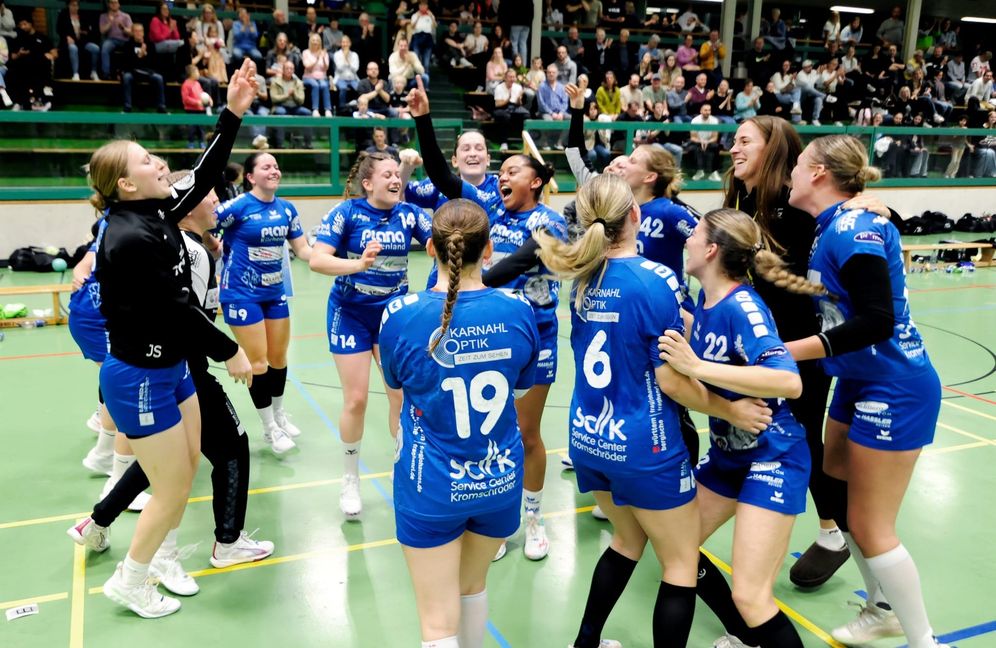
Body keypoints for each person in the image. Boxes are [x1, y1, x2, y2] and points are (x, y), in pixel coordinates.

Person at [535, 175, 772, 648]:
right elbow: (670, 380)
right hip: (645, 447)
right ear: (636, 216)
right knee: (682, 563)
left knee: (626, 542)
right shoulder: (657, 279)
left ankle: (586, 643)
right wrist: (733, 410)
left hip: (588, 439)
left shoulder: (583, 278)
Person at [85, 60, 256, 618]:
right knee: (172, 488)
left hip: (175, 369)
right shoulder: (130, 236)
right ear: (126, 184)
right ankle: (132, 579)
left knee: (181, 477)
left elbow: (203, 177)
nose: (161, 164)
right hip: (140, 377)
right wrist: (230, 350)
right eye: (147, 161)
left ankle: (149, 557)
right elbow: (177, 309)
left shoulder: (152, 210)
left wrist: (230, 112)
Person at [784, 135, 949, 648]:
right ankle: (881, 607)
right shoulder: (832, 224)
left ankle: (923, 640)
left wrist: (786, 351)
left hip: (894, 384)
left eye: (798, 163)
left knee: (872, 522)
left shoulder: (854, 227)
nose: (791, 171)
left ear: (817, 174)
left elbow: (878, 321)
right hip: (858, 379)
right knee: (835, 482)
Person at [69, 178, 275, 577]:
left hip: (176, 367)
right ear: (190, 206)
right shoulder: (189, 252)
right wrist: (230, 352)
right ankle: (224, 543)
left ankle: (97, 521)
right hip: (182, 370)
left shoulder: (188, 244)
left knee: (167, 460)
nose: (218, 203)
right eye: (211, 198)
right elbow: (184, 317)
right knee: (231, 448)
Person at [409, 81, 567, 561]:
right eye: (502, 170)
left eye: (514, 170)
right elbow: (441, 176)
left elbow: (507, 269)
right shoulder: (489, 206)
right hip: (489, 337)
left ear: (536, 181)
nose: (503, 175)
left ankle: (534, 515)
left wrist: (461, 278)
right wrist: (422, 120)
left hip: (534, 338)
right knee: (491, 430)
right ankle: (495, 517)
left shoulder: (549, 224)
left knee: (528, 432)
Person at [379, 199, 538, 648]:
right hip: (499, 479)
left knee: (436, 620)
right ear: (488, 251)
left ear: (429, 248)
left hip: (430, 483)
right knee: (473, 588)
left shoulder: (401, 315)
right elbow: (521, 389)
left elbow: (396, 385)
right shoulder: (518, 309)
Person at [659, 208, 812, 648]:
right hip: (729, 455)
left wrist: (696, 365)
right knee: (678, 549)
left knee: (751, 594)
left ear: (710, 250)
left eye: (694, 237)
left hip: (773, 456)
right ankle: (744, 635)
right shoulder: (706, 301)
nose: (685, 241)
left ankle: (751, 625)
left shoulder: (743, 305)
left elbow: (788, 380)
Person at [309, 152, 432, 519]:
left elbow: (436, 244)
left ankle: (405, 471)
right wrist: (358, 264)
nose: (396, 180)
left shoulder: (409, 214)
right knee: (357, 400)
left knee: (400, 395)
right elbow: (317, 260)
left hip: (392, 316)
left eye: (399, 175)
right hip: (350, 314)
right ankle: (350, 479)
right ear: (368, 183)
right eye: (388, 175)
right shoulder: (347, 213)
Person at [214, 152, 312, 455]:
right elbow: (203, 225)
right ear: (251, 177)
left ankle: (280, 414)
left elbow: (304, 250)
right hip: (242, 294)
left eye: (276, 166)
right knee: (258, 362)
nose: (274, 170)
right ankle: (269, 427)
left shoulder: (286, 209)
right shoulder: (238, 207)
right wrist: (214, 249)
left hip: (274, 292)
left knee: (279, 358)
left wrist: (346, 260)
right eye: (266, 166)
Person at [119, 24, 165, 114]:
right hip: (133, 72)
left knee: (159, 78)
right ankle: (127, 106)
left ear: (143, 33)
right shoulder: (128, 45)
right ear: (132, 33)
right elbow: (127, 64)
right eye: (136, 31)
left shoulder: (150, 45)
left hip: (147, 72)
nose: (138, 33)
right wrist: (139, 55)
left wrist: (145, 54)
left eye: (140, 31)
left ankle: (161, 106)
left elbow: (154, 63)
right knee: (126, 77)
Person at [57, 0, 100, 80]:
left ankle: (93, 72)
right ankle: (75, 73)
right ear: (69, 6)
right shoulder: (63, 15)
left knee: (95, 48)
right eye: (73, 5)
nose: (75, 7)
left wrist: (84, 32)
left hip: (82, 41)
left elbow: (88, 30)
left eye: (76, 5)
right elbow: (59, 29)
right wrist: (66, 37)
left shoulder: (82, 15)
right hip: (69, 41)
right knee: (73, 48)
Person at [493, 69, 530, 152]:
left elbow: (519, 104)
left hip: (514, 107)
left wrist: (519, 99)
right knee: (505, 116)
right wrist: (508, 99)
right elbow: (497, 104)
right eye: (510, 77)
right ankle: (504, 142)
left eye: (514, 77)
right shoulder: (499, 87)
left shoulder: (518, 87)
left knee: (526, 115)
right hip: (501, 108)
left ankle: (525, 142)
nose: (512, 79)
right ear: (505, 78)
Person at [98, 0, 131, 78]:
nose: (114, 4)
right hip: (111, 40)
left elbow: (131, 32)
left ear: (119, 4)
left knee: (131, 48)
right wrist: (110, 22)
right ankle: (106, 74)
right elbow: (102, 31)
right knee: (105, 48)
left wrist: (123, 28)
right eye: (112, 2)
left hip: (125, 40)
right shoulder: (103, 16)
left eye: (115, 2)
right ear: (109, 4)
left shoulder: (126, 16)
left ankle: (126, 72)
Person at [302, 33, 333, 117]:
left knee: (324, 85)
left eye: (317, 40)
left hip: (322, 77)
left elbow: (326, 68)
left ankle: (328, 110)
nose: (315, 42)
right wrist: (317, 58)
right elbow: (308, 67)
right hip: (309, 77)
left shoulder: (324, 53)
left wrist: (323, 58)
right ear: (310, 42)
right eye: (313, 40)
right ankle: (315, 109)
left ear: (320, 42)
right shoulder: (306, 52)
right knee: (315, 85)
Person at [690, 103, 721, 181]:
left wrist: (707, 142)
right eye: (705, 110)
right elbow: (693, 137)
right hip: (698, 141)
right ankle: (699, 171)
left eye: (709, 110)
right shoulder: (695, 120)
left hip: (709, 141)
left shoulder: (714, 120)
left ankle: (714, 173)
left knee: (716, 147)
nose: (707, 112)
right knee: (695, 148)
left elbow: (715, 137)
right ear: (701, 111)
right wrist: (701, 141)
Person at [332, 34, 360, 115]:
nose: (345, 44)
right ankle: (342, 108)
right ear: (341, 44)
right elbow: (339, 68)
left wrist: (347, 59)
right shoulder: (337, 54)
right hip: (340, 78)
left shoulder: (354, 55)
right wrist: (344, 57)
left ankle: (358, 106)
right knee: (343, 88)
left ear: (350, 43)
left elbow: (355, 69)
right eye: (343, 42)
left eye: (346, 42)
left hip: (353, 78)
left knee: (359, 88)